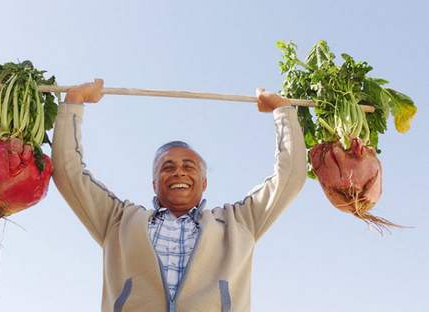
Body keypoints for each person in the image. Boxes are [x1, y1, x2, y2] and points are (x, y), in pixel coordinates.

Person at [52, 79, 307, 312]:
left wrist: (282, 111)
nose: (179, 173)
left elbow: (290, 176)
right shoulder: (118, 221)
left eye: (188, 166)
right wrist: (74, 102)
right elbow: (69, 174)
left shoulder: (239, 223)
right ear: (154, 183)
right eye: (168, 167)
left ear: (204, 182)